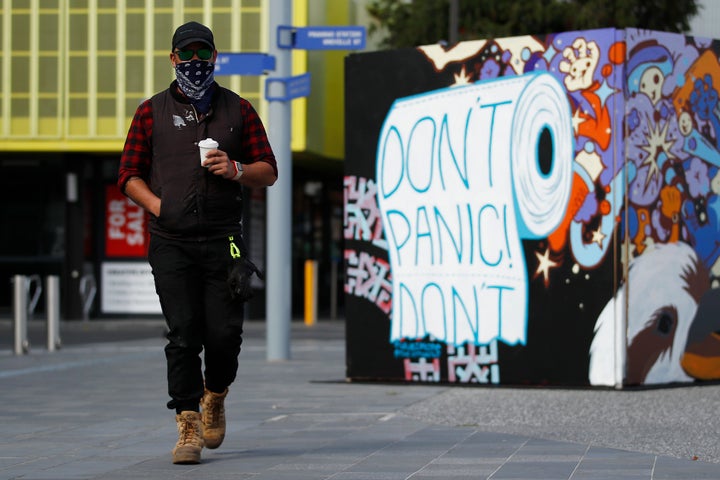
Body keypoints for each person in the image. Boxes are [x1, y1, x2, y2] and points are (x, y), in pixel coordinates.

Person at [117, 21, 277, 465]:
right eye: (185, 56)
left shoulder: (239, 110)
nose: (194, 64)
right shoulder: (150, 111)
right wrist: (159, 207)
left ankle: (216, 393)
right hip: (171, 241)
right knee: (184, 334)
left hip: (226, 241)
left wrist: (239, 169)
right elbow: (127, 175)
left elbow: (270, 169)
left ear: (214, 58)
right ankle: (187, 422)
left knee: (225, 335)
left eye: (202, 56)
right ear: (172, 60)